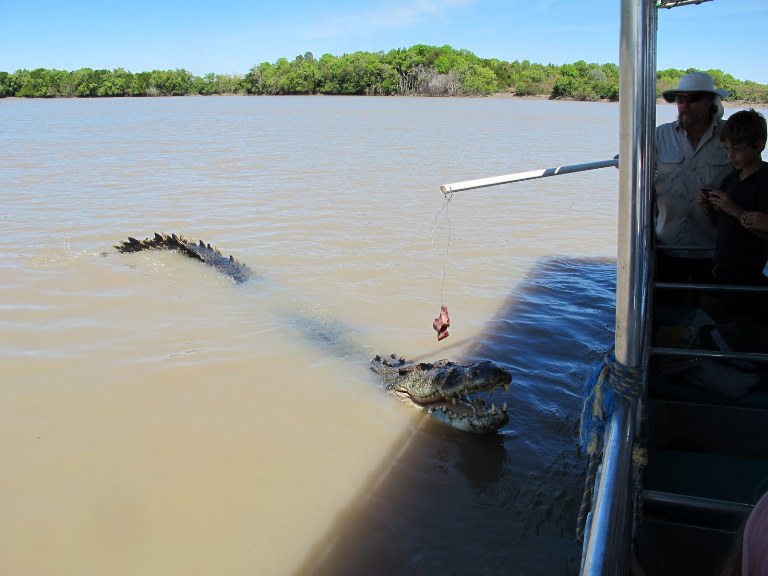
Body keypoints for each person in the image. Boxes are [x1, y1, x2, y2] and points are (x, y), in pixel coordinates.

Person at [654, 72, 732, 299]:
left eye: (694, 98)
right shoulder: (660, 135)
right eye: (680, 99)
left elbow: (751, 172)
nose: (684, 105)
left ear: (711, 101)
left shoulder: (730, 136)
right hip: (667, 246)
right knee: (668, 309)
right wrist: (625, 158)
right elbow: (635, 162)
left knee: (712, 312)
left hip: (715, 249)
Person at [697, 109, 768, 310]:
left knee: (735, 330)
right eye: (727, 149)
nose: (730, 156)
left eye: (736, 149)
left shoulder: (765, 181)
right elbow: (719, 226)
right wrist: (709, 208)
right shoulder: (731, 179)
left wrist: (733, 209)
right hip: (722, 266)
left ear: (759, 144)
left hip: (751, 275)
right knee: (707, 320)